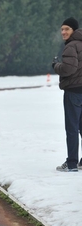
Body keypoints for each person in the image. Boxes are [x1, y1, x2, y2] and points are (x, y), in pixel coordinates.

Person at [52, 17, 82, 172]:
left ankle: (71, 164)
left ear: (74, 30)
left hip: (73, 92)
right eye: (62, 29)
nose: (63, 32)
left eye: (67, 29)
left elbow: (68, 69)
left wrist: (56, 66)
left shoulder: (71, 46)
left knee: (71, 129)